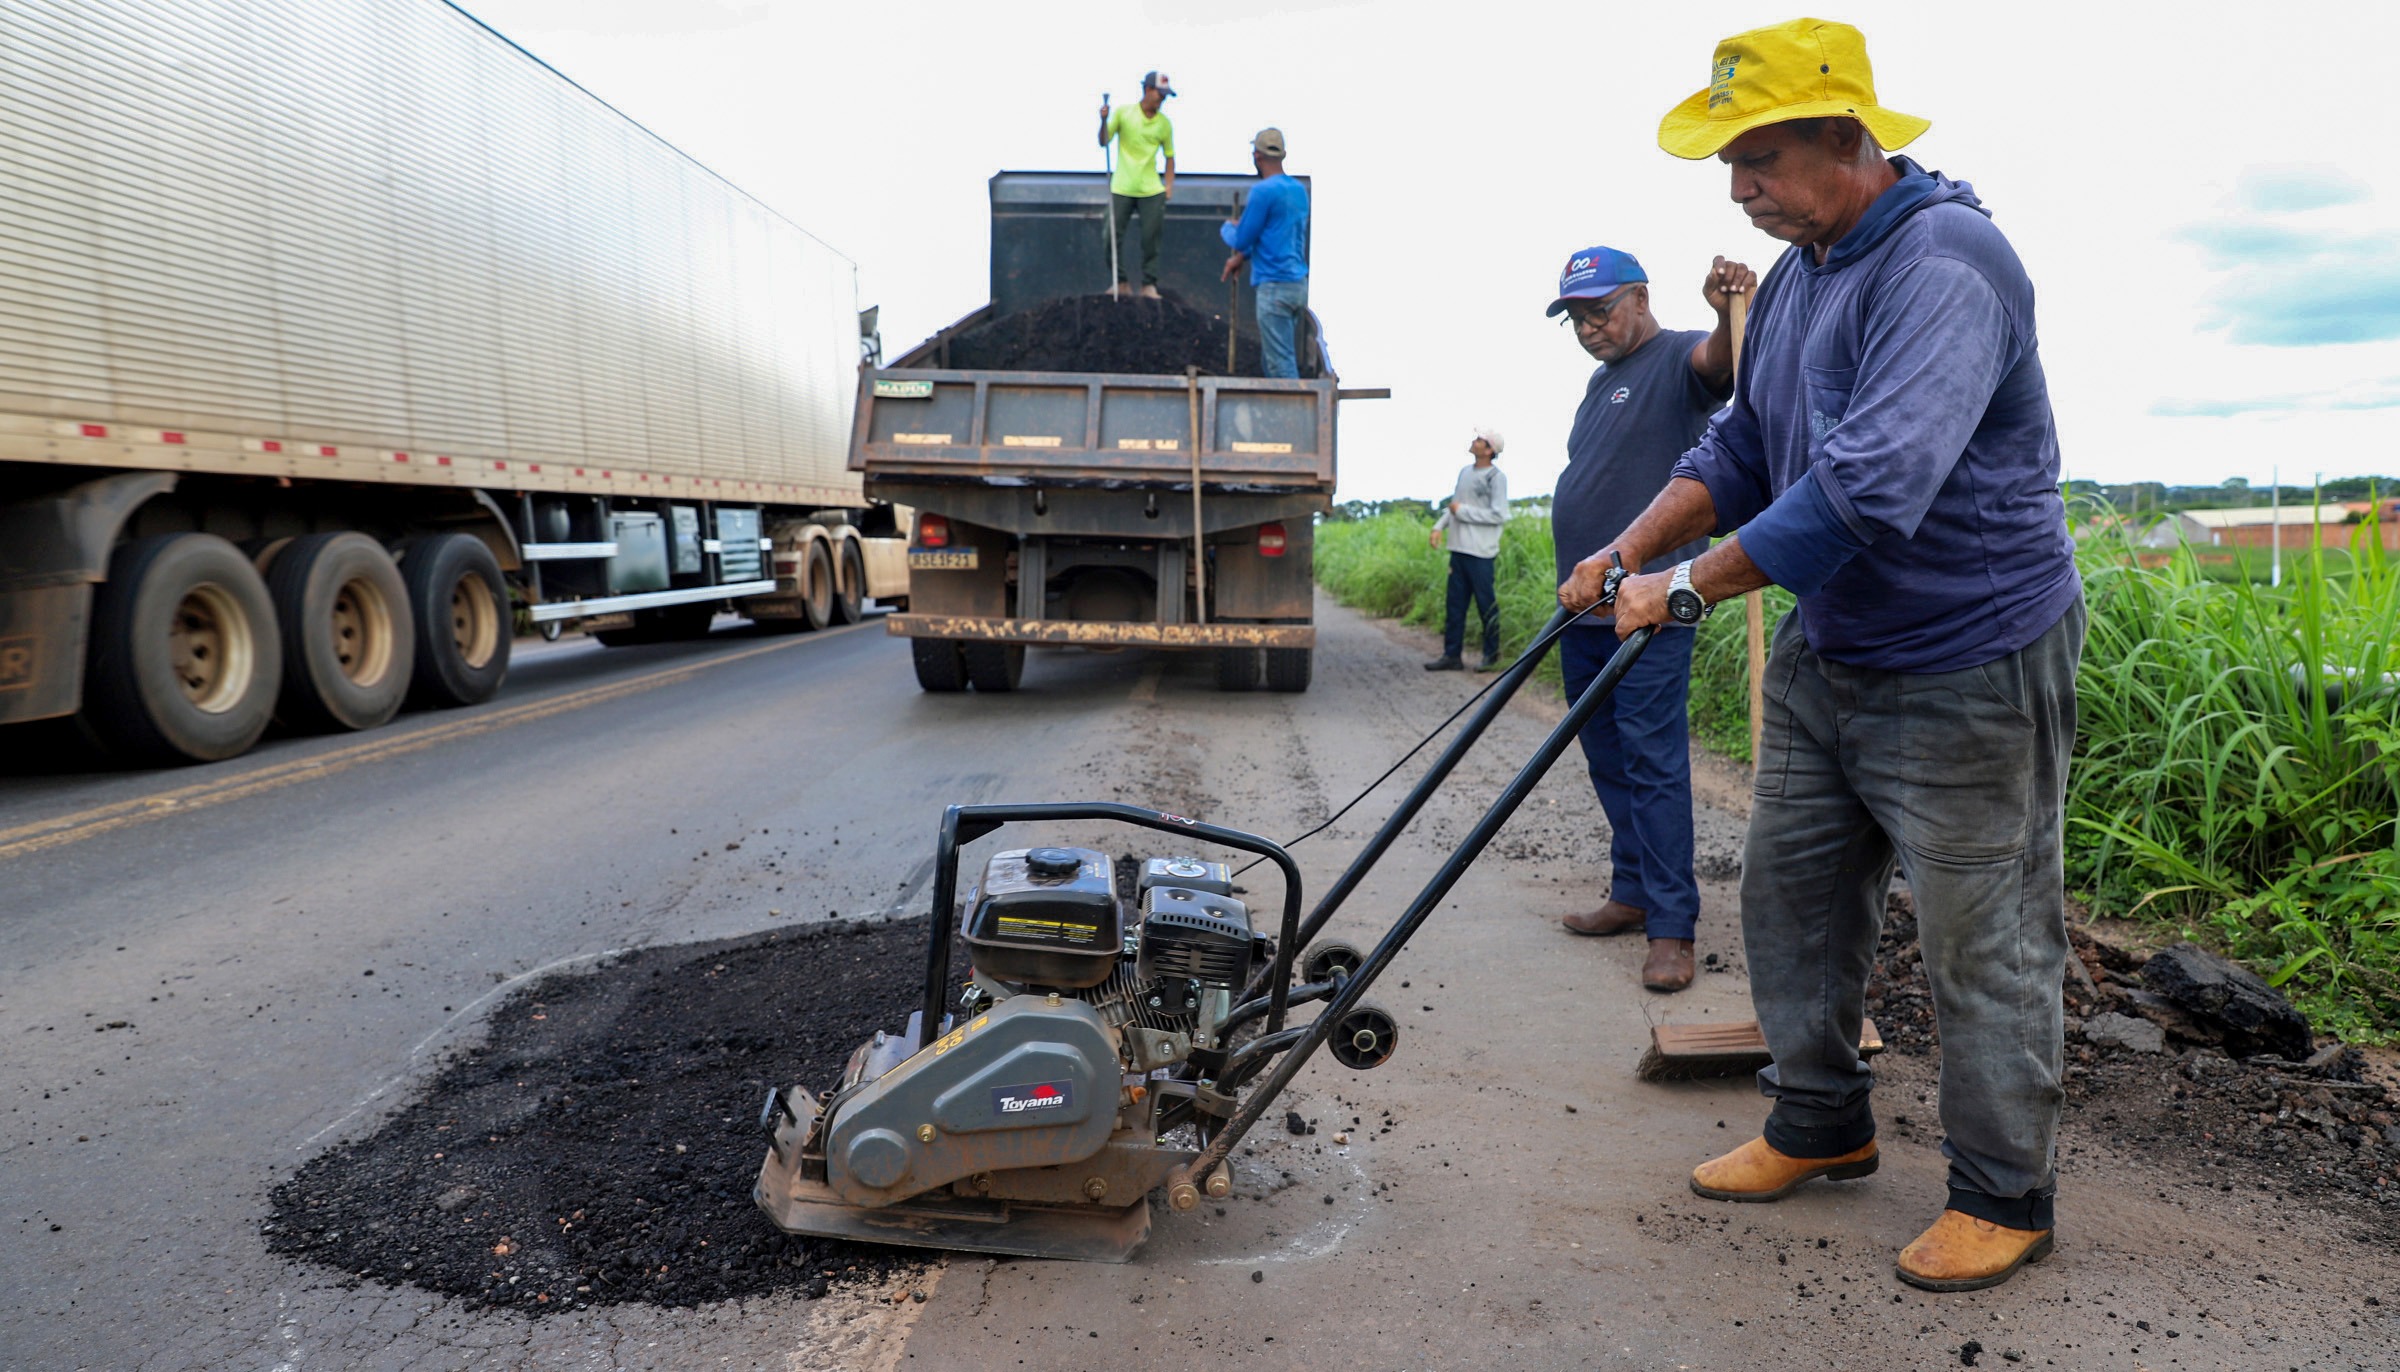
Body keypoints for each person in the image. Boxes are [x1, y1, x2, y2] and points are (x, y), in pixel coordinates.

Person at [1559, 18, 2082, 1292]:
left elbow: (1864, 491)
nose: (1739, 186)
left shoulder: (1947, 265)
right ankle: (1818, 1123)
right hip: (1831, 650)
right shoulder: (1802, 272)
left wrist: (1678, 588)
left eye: (1763, 155)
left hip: (1968, 656)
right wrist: (1625, 551)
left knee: (1984, 936)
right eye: (1730, 159)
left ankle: (2006, 1191)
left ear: (1849, 138)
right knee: (1787, 899)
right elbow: (1740, 452)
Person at [1544, 244, 1752, 993]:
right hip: (1585, 611)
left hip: (1649, 609)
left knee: (1654, 764)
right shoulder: (1603, 383)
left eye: (1600, 310)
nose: (1590, 328)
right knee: (1605, 757)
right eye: (1576, 318)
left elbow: (1720, 366)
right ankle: (1631, 892)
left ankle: (1672, 928)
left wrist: (1726, 311)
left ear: (1639, 297)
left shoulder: (1673, 363)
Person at [1220, 128, 1311, 378]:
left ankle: (1293, 415)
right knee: (1273, 360)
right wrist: (1242, 257)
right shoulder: (1298, 191)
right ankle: (1279, 413)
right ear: (1282, 155)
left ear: (1257, 156)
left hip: (1274, 288)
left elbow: (1242, 238)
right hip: (1297, 287)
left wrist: (1227, 228)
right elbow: (1276, 236)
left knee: (1280, 365)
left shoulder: (1263, 192)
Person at [1424, 429, 1508, 673]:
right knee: (1455, 605)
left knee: (1486, 605)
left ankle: (1491, 656)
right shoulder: (1465, 472)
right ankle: (1452, 655)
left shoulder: (1496, 477)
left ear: (1490, 449)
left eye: (1479, 440)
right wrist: (1438, 527)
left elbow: (1498, 515)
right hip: (1458, 549)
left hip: (1481, 552)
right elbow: (1453, 506)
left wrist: (1462, 511)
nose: (1474, 441)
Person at [1098, 72, 1176, 299]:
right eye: (1159, 95)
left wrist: (1168, 186)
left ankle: (1148, 284)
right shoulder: (1124, 113)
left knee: (1151, 240)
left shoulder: (1164, 124)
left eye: (1165, 96)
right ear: (1148, 90)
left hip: (1151, 189)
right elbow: (1104, 141)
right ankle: (1120, 281)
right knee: (1110, 235)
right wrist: (1104, 120)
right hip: (1121, 185)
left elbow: (1170, 157)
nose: (1162, 100)